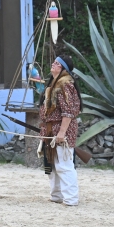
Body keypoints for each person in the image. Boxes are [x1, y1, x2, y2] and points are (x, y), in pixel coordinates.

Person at [39, 55, 82, 206]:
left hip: (61, 129)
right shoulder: (54, 84)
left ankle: (71, 199)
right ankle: (56, 195)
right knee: (52, 164)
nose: (53, 64)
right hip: (51, 129)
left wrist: (62, 132)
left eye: (57, 63)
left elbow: (68, 112)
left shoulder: (65, 85)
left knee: (64, 165)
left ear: (63, 68)